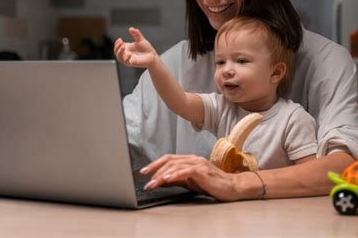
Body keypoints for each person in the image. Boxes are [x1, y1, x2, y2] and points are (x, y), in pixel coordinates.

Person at [120, 0, 358, 201]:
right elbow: (116, 140)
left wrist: (234, 184)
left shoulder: (326, 61)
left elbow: (347, 166)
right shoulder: (173, 62)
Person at [115, 17, 317, 174]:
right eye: (221, 62)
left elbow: (308, 175)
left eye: (241, 61)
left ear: (275, 73)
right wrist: (153, 63)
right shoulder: (222, 108)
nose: (227, 70)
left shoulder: (293, 120)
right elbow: (179, 101)